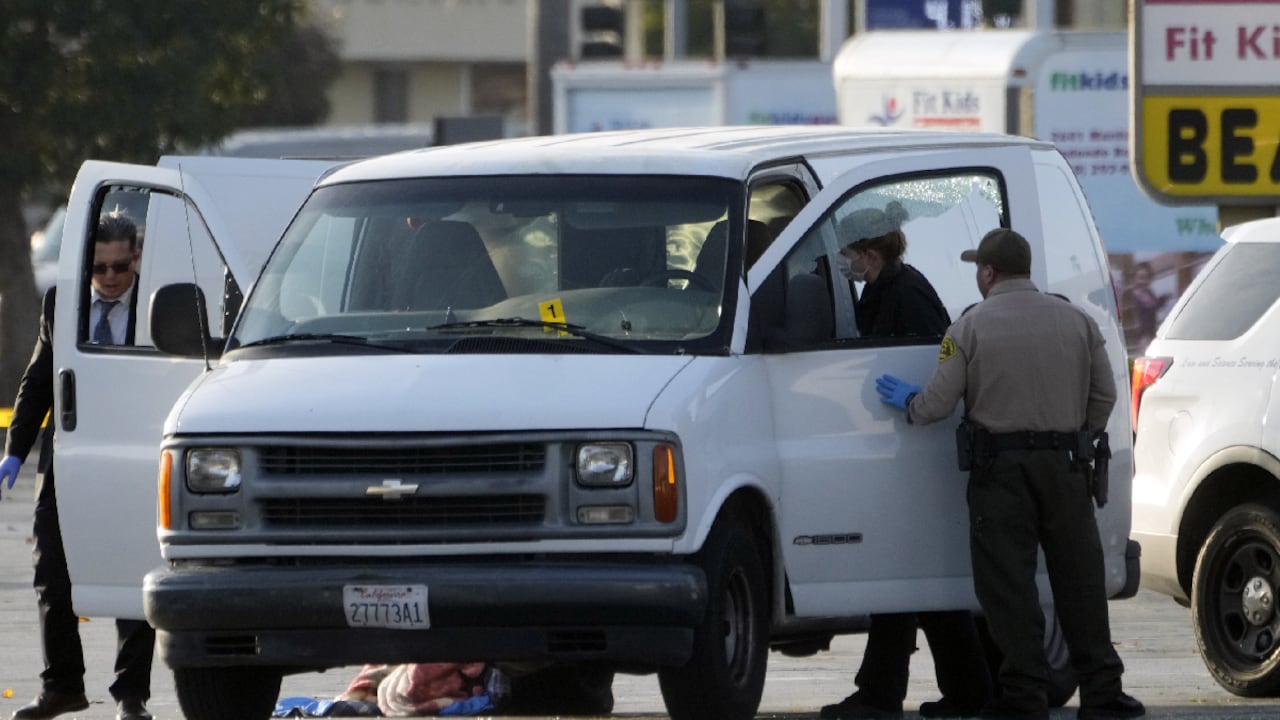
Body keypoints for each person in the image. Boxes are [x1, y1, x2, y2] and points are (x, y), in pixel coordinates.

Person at [874, 228, 1144, 720]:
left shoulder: (967, 329)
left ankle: (1024, 697)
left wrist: (909, 404)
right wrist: (1075, 435)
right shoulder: (1077, 320)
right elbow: (1105, 395)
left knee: (1009, 587)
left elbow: (937, 404)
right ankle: (1104, 694)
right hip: (1066, 467)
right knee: (1079, 582)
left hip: (1001, 473)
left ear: (988, 273)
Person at [820, 203, 993, 720]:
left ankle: (886, 691)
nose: (844, 264)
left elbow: (937, 359)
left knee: (908, 575)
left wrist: (917, 396)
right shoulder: (885, 288)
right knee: (915, 578)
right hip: (902, 445)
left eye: (849, 255)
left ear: (869, 254)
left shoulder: (907, 295)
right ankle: (956, 691)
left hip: (915, 444)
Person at [0, 215, 155, 720]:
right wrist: (14, 452)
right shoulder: (59, 304)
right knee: (51, 574)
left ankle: (131, 696)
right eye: (99, 267)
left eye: (119, 266)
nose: (110, 277)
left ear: (137, 257)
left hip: (132, 457)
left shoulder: (158, 303)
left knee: (133, 573)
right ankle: (61, 687)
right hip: (68, 457)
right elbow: (37, 384)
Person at [1121, 261, 1168, 352]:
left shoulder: (1149, 293)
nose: (1143, 281)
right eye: (1140, 278)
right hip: (1140, 335)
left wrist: (1162, 300)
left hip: (1152, 331)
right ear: (1134, 278)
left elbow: (1154, 307)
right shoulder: (1130, 295)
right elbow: (1131, 316)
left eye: (1147, 278)